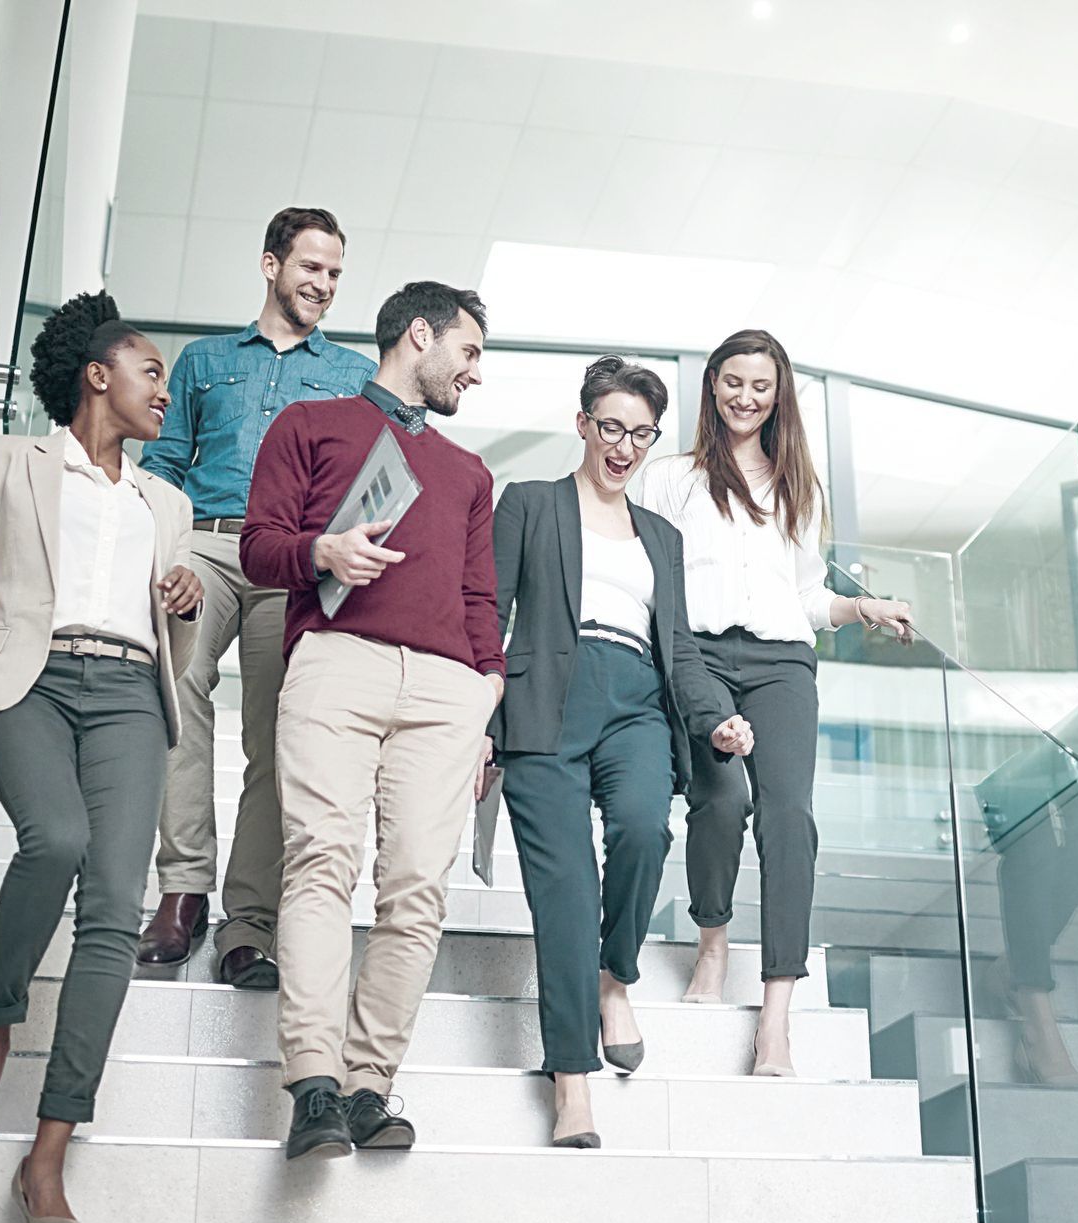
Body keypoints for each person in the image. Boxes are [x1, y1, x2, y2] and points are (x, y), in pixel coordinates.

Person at [0, 292, 202, 1223]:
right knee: (56, 838)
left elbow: (173, 635)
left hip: (131, 695)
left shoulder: (168, 503)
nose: (164, 394)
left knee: (114, 907)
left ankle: (51, 1148)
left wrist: (181, 606)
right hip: (31, 679)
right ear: (99, 374)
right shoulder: (7, 462)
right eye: (153, 373)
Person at [240, 280, 501, 1160]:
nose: (474, 373)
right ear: (417, 335)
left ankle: (367, 1089)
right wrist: (320, 550)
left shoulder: (470, 472)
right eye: (466, 351)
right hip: (335, 662)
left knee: (418, 891)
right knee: (320, 864)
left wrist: (487, 692)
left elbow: (477, 597)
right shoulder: (309, 426)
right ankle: (312, 1084)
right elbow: (257, 546)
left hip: (447, 693)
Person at [629, 329, 913, 1075]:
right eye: (731, 382)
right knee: (720, 803)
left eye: (760, 385)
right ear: (712, 387)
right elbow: (645, 578)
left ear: (778, 393)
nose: (744, 397)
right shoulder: (670, 479)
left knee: (790, 817)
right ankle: (712, 942)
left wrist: (864, 609)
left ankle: (777, 1015)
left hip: (782, 662)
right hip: (698, 659)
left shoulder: (799, 487)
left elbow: (807, 596)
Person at [492, 356, 754, 1147]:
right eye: (612, 427)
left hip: (636, 699)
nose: (625, 445)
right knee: (566, 891)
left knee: (645, 828)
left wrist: (718, 719)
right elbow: (488, 613)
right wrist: (476, 723)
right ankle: (572, 1081)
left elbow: (679, 648)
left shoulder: (661, 537)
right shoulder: (529, 504)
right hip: (546, 701)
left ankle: (616, 977)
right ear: (582, 425)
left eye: (642, 434)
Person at [134, 207, 376, 989]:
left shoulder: (348, 377)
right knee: (177, 692)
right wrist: (163, 550)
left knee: (280, 738)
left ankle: (249, 923)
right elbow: (167, 463)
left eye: (335, 274)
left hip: (292, 560)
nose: (324, 285)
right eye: (312, 268)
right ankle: (182, 889)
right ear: (271, 266)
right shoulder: (203, 360)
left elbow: (357, 486)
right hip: (206, 543)